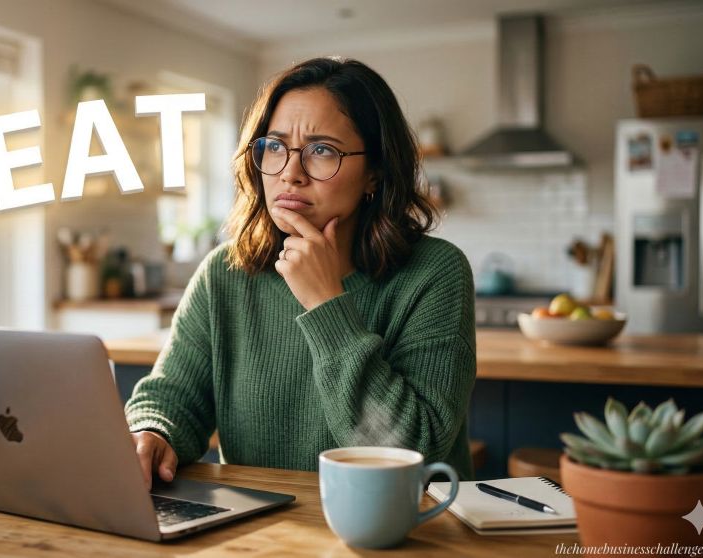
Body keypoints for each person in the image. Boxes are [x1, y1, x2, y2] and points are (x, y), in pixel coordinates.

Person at [126, 57, 476, 490]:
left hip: (400, 523)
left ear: (375, 173)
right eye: (275, 146)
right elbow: (172, 398)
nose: (290, 174)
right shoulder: (224, 272)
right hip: (259, 523)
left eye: (322, 150)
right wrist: (153, 431)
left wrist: (326, 304)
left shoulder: (435, 272)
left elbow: (411, 450)